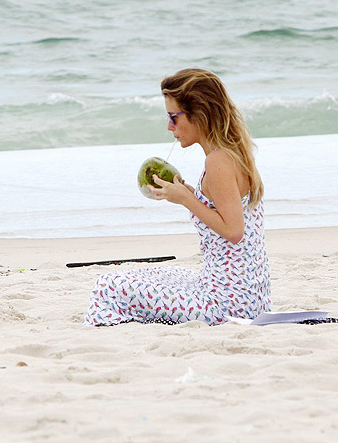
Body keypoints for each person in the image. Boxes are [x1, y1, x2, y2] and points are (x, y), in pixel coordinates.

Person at [82, 69, 271, 326]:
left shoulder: (219, 162)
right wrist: (189, 193)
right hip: (244, 297)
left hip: (227, 304)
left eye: (174, 117)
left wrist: (186, 199)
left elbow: (234, 230)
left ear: (200, 114)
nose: (169, 126)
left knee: (107, 286)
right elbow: (225, 212)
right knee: (161, 273)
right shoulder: (229, 154)